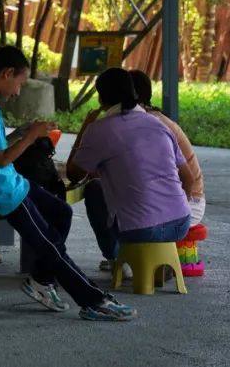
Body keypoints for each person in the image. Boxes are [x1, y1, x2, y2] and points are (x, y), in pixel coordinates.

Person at [0, 46, 136, 321]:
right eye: (19, 83)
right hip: (3, 192)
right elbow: (1, 160)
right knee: (50, 247)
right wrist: (31, 137)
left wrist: (21, 133)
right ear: (7, 73)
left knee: (62, 212)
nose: (18, 91)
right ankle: (94, 301)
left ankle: (41, 279)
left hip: (9, 183)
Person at [67, 68, 192, 271]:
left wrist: (85, 127)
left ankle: (116, 258)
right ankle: (157, 261)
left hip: (139, 229)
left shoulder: (99, 129)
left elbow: (74, 174)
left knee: (94, 189)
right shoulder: (159, 124)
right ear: (134, 93)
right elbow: (189, 179)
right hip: (180, 224)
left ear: (101, 98)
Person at [129, 69, 205, 226]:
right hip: (178, 198)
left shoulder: (151, 124)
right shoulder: (147, 118)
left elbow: (187, 179)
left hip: (188, 202)